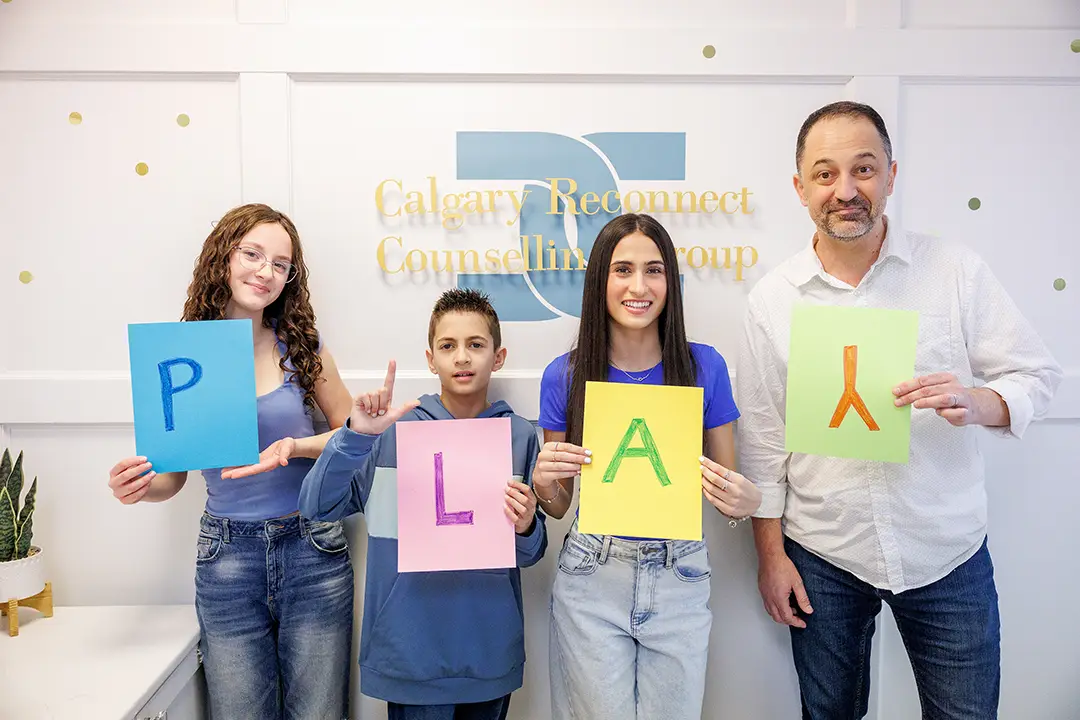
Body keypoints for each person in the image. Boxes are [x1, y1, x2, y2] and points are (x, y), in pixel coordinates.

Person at [737, 100, 1063, 719]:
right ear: (800, 187)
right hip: (822, 551)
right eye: (826, 173)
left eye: (864, 169)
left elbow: (1036, 376)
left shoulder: (954, 272)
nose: (846, 190)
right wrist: (771, 556)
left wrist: (977, 402)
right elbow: (763, 440)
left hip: (945, 548)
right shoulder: (772, 300)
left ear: (891, 172)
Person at [106, 203, 355, 720]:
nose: (265, 272)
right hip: (227, 558)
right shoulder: (183, 353)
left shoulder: (302, 348)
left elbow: (352, 435)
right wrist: (140, 484)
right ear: (223, 256)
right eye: (252, 254)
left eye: (281, 264)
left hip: (312, 547)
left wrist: (296, 447)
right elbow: (172, 476)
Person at [531, 212, 762, 720]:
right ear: (600, 281)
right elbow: (558, 505)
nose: (639, 285)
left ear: (670, 282)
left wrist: (746, 501)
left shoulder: (705, 367)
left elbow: (728, 489)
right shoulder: (564, 376)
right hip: (592, 573)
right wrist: (544, 481)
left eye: (654, 270)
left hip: (679, 574)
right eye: (623, 270)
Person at [298, 287, 547, 720]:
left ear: (499, 356)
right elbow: (316, 505)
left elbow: (530, 550)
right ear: (431, 359)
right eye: (448, 346)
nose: (462, 358)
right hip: (410, 654)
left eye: (476, 345)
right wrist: (356, 435)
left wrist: (526, 525)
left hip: (488, 653)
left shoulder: (520, 436)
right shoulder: (393, 432)